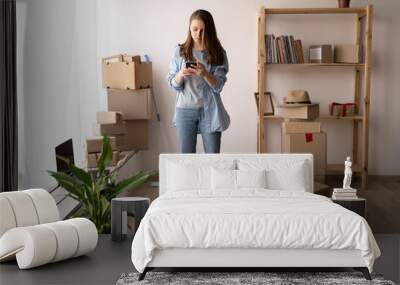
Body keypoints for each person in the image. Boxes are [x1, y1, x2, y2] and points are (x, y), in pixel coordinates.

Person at [166, 9, 230, 153]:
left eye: (202, 30)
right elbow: (172, 83)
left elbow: (218, 86)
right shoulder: (180, 51)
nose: (198, 34)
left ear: (210, 31)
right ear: (189, 28)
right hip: (184, 110)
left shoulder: (218, 53)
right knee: (186, 159)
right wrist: (181, 74)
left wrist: (205, 73)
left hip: (210, 111)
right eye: (195, 29)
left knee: (213, 158)